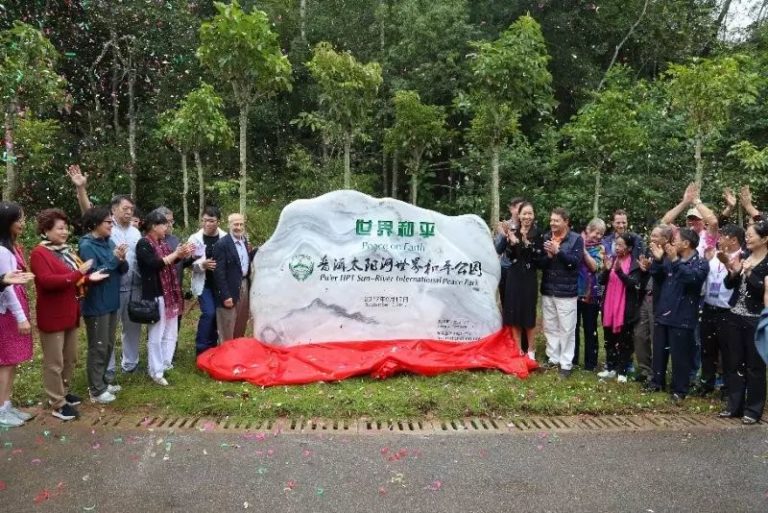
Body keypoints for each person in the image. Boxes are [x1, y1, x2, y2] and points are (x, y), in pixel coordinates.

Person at [30, 209, 108, 421]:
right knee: (54, 361)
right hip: (52, 313)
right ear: (46, 230)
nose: (64, 232)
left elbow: (74, 280)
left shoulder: (65, 250)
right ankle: (57, 402)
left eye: (66, 228)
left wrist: (90, 278)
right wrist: (79, 272)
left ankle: (63, 391)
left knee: (70, 357)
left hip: (70, 311)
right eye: (59, 228)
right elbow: (48, 281)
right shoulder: (39, 253)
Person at [68, 165, 143, 377]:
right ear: (113, 210)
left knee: (132, 328)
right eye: (125, 208)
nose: (129, 212)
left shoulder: (136, 231)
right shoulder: (107, 228)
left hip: (133, 286)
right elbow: (88, 213)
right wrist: (81, 189)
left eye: (132, 209)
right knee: (107, 331)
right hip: (110, 287)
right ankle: (107, 370)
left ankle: (131, 364)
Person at [646, 227, 708, 403]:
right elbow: (658, 278)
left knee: (680, 355)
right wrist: (658, 261)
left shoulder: (701, 263)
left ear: (686, 243)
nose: (673, 242)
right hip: (664, 311)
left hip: (683, 316)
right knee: (659, 351)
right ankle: (656, 382)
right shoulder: (671, 260)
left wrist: (673, 260)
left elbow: (692, 280)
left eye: (676, 239)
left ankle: (679, 389)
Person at [135, 210, 194, 386]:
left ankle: (166, 363)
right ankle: (155, 370)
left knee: (171, 331)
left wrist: (181, 254)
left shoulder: (163, 243)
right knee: (157, 333)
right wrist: (175, 255)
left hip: (170, 293)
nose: (167, 227)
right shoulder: (144, 244)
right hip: (156, 294)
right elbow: (154, 264)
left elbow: (171, 261)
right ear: (154, 226)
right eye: (164, 225)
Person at [79, 207, 129, 404]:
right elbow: (95, 274)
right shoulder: (86, 245)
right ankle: (96, 390)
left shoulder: (109, 241)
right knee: (97, 346)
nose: (111, 225)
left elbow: (121, 269)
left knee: (108, 344)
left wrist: (121, 258)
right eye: (108, 222)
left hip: (111, 300)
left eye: (111, 222)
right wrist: (115, 258)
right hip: (96, 302)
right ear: (95, 224)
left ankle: (103, 381)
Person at [720, 221, 768, 424]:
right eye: (746, 235)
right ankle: (734, 406)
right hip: (735, 315)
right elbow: (729, 284)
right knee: (734, 362)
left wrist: (749, 273)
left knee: (754, 366)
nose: (746, 238)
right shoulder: (745, 256)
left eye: (750, 235)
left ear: (764, 239)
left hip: (756, 318)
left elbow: (760, 290)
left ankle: (753, 409)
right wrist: (733, 271)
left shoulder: (766, 263)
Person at [698, 224, 744, 395]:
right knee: (707, 347)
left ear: (733, 240)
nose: (719, 239)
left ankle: (727, 386)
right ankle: (706, 383)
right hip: (709, 308)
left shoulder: (742, 257)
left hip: (729, 311)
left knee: (728, 350)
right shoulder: (714, 256)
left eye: (723, 236)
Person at [0, 202, 34, 428]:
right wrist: (21, 317)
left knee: (12, 361)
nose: (22, 223)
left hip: (14, 310)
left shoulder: (10, 247)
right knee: (6, 361)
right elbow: (8, 287)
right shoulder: (2, 251)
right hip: (7, 313)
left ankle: (6, 403)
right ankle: (1, 409)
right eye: (18, 219)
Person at [539, 208, 584, 378]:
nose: (552, 223)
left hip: (566, 292)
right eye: (551, 220)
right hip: (548, 289)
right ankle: (553, 358)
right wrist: (549, 257)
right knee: (550, 326)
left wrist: (559, 252)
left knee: (567, 329)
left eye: (556, 220)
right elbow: (541, 264)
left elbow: (575, 263)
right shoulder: (546, 237)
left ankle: (566, 363)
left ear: (566, 221)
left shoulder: (576, 239)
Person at [497, 201, 542, 360]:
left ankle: (531, 350)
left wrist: (528, 245)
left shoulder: (539, 233)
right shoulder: (513, 231)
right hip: (513, 276)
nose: (527, 216)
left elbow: (539, 259)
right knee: (514, 312)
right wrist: (509, 240)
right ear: (519, 215)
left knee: (528, 313)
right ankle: (517, 350)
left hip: (529, 277)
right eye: (525, 213)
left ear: (533, 215)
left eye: (530, 213)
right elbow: (507, 255)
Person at [599, 234, 646, 383]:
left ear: (629, 248)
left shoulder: (634, 264)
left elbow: (634, 284)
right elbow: (601, 281)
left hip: (625, 306)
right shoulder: (611, 259)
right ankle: (611, 368)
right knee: (609, 339)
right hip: (609, 305)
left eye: (620, 245)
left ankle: (622, 370)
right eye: (616, 244)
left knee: (624, 340)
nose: (617, 248)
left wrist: (619, 272)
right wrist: (606, 270)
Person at [633, 225, 675, 383]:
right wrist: (644, 269)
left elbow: (668, 276)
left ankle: (657, 374)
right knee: (639, 334)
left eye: (656, 236)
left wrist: (657, 264)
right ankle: (645, 369)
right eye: (651, 235)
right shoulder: (648, 252)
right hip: (644, 298)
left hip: (660, 301)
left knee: (657, 338)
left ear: (665, 239)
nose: (652, 239)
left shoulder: (671, 255)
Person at [188, 206, 226, 355]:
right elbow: (187, 263)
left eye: (211, 221)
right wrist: (201, 265)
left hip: (221, 284)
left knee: (217, 315)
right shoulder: (194, 238)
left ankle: (213, 347)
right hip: (204, 284)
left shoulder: (225, 237)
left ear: (218, 221)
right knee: (209, 313)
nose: (207, 224)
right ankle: (202, 349)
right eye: (204, 220)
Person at [213, 213, 255, 342]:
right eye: (235, 224)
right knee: (227, 325)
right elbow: (218, 273)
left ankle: (236, 355)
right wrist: (225, 295)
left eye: (241, 224)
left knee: (241, 322)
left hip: (243, 285)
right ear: (229, 225)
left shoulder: (244, 241)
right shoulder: (222, 244)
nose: (239, 227)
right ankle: (226, 357)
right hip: (229, 288)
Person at [574, 218, 605, 371]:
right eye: (596, 232)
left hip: (592, 294)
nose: (598, 236)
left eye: (601, 234)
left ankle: (590, 363)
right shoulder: (576, 241)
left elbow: (595, 267)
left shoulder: (600, 248)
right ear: (588, 229)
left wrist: (584, 252)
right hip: (574, 291)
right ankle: (573, 360)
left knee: (590, 328)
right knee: (573, 327)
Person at [495, 197, 527, 306]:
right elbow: (498, 249)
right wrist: (504, 235)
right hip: (506, 269)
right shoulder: (505, 225)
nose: (522, 212)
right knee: (506, 303)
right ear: (511, 209)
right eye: (519, 208)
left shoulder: (528, 226)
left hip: (522, 270)